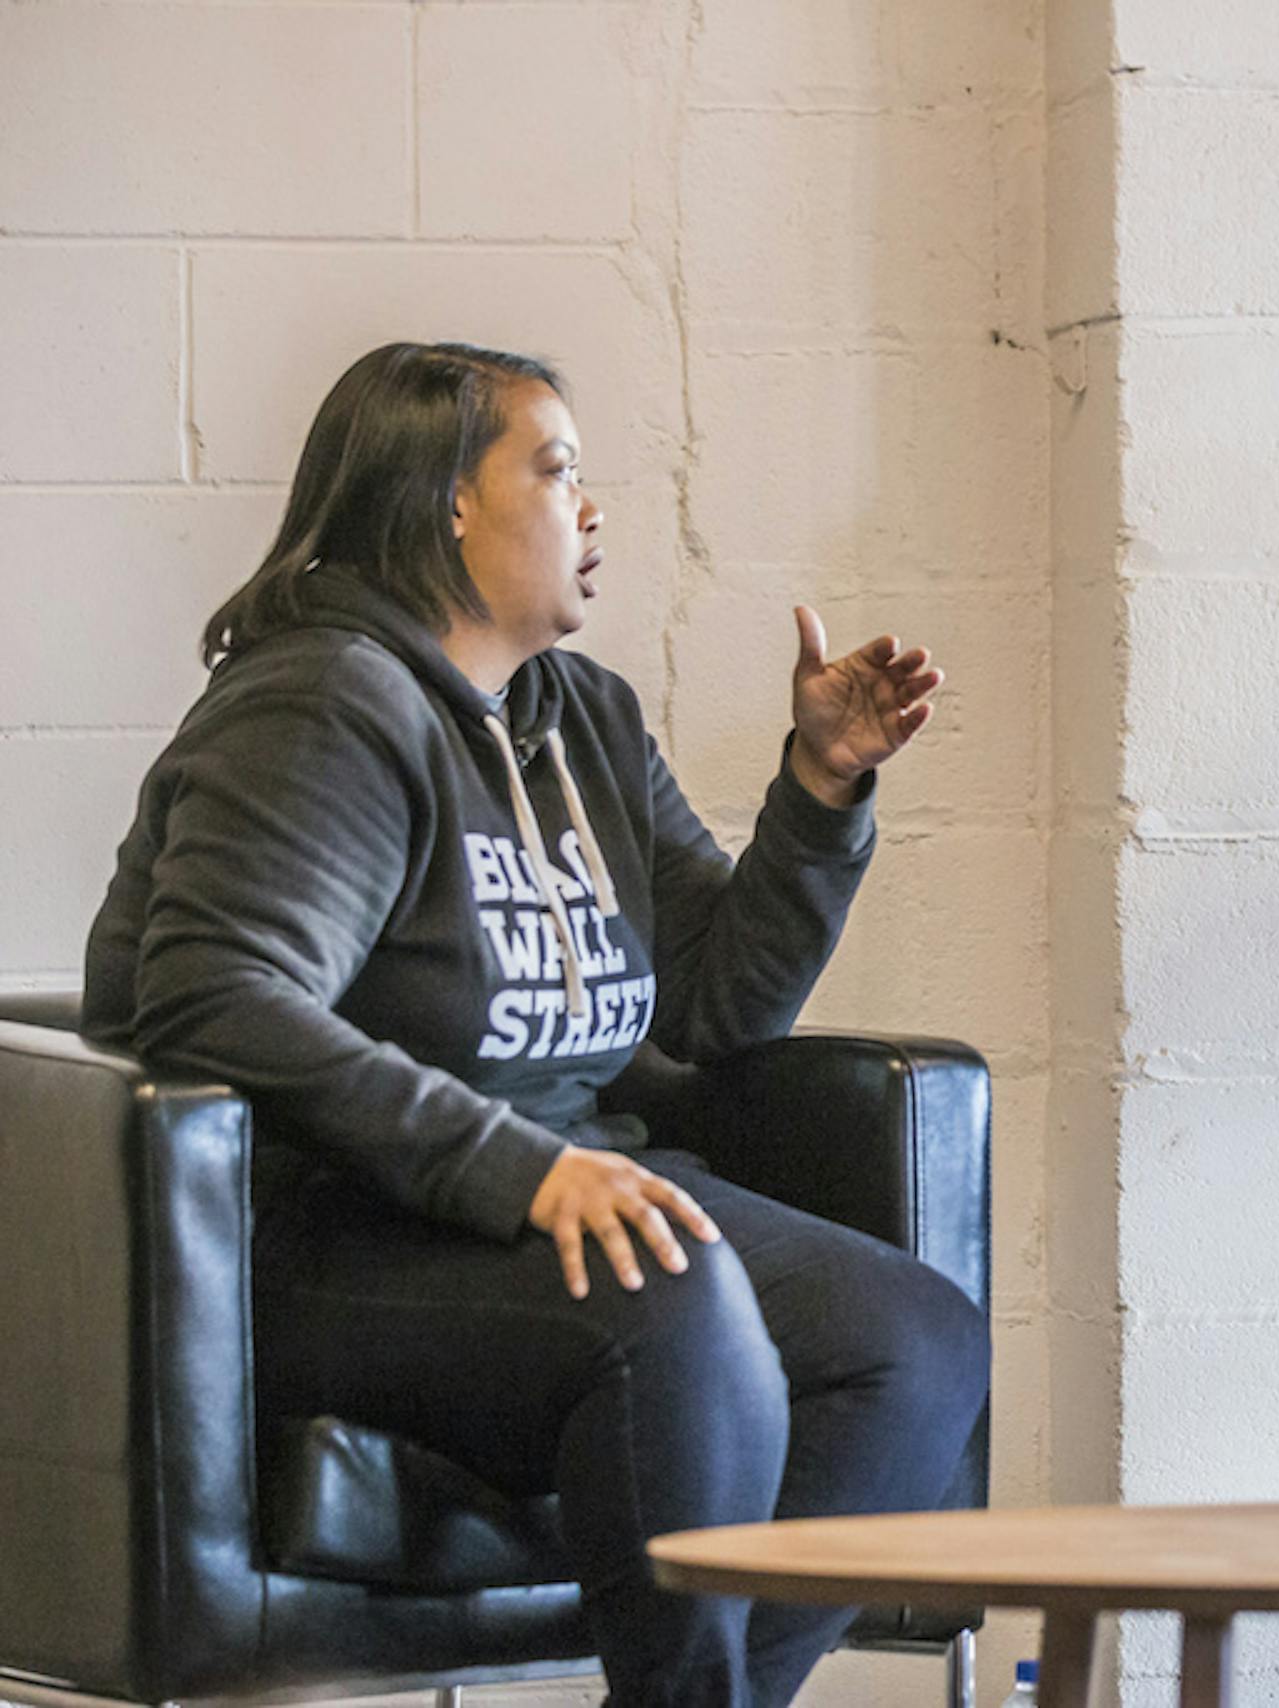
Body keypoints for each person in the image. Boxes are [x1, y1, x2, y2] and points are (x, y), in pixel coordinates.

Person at [82, 341, 991, 1708]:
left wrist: (818, 785)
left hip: (552, 1200)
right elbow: (216, 1000)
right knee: (670, 1310)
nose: (593, 507)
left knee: (911, 1339)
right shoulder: (325, 704)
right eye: (556, 469)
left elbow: (708, 1002)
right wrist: (525, 1170)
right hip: (337, 1232)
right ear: (449, 499)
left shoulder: (581, 722)